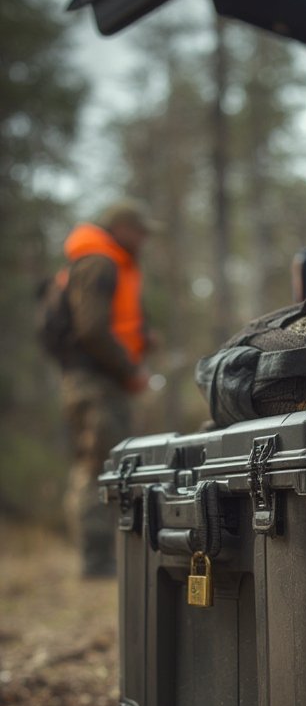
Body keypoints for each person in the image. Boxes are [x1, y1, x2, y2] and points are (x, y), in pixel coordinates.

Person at [59, 198, 161, 578]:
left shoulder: (112, 263)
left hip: (102, 380)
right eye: (140, 231)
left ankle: (104, 558)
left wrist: (142, 338)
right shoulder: (100, 263)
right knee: (98, 465)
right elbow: (91, 329)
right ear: (120, 228)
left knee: (105, 461)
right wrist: (130, 368)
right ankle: (96, 561)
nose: (144, 239)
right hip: (94, 382)